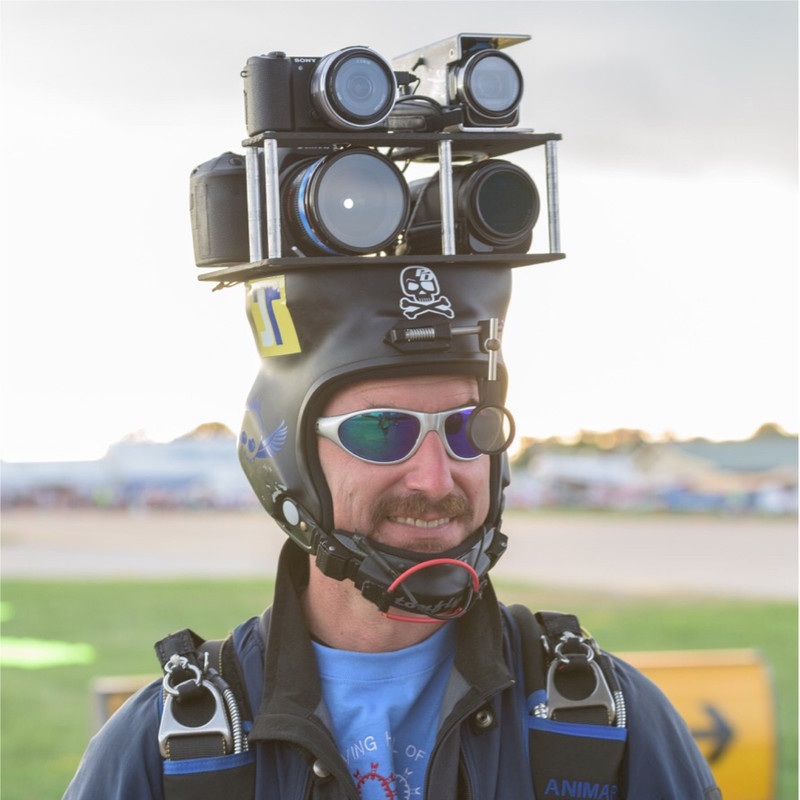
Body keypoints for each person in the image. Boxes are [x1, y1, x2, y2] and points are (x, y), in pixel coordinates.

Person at [63, 259, 721, 799]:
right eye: (381, 431)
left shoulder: (609, 723)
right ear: (291, 462)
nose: (435, 481)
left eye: (468, 430)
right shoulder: (168, 751)